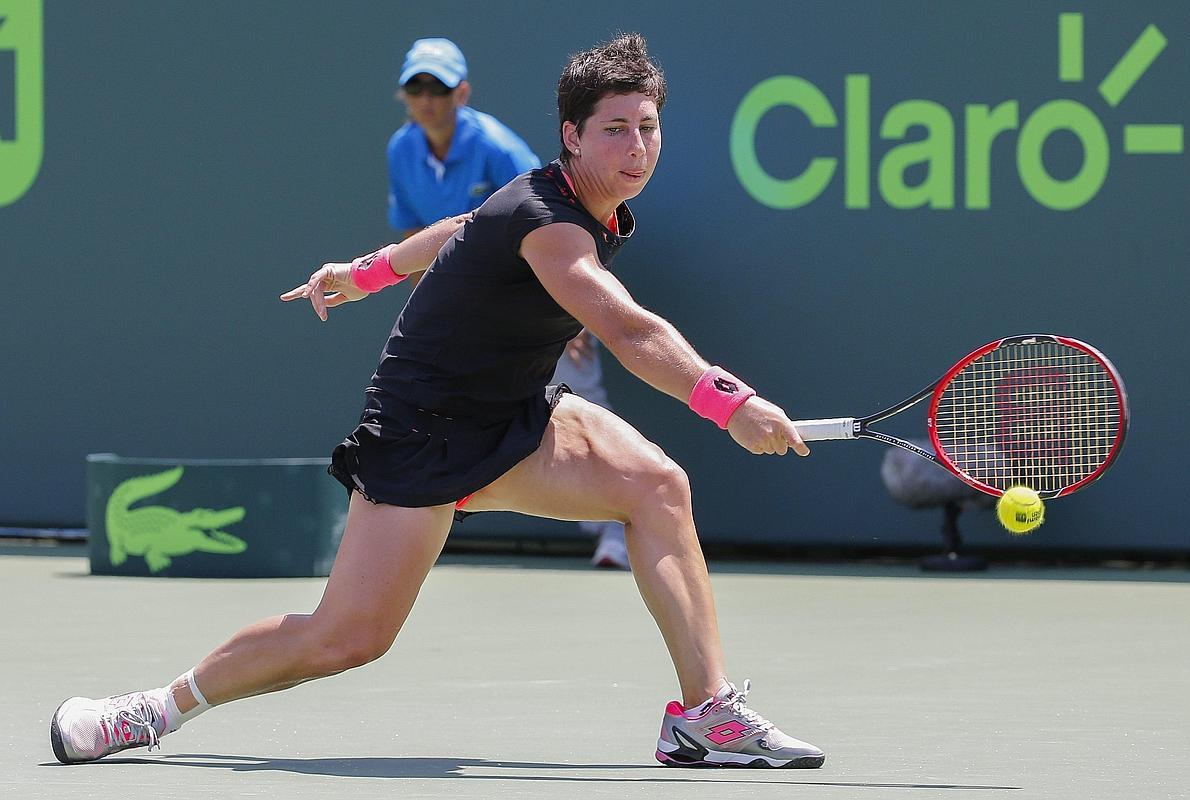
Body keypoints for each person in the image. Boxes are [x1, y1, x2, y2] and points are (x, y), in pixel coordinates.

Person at [49, 33, 825, 770]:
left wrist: (365, 272)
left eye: (648, 127)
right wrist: (730, 402)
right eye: (615, 129)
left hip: (512, 415)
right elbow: (625, 327)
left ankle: (705, 716)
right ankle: (148, 710)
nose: (637, 147)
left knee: (658, 487)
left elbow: (460, 226)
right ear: (572, 136)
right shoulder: (550, 224)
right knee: (346, 637)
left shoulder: (569, 203)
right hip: (423, 431)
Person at [388, 37, 630, 569]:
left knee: (582, 392)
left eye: (439, 86)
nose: (427, 97)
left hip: (539, 298)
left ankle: (616, 533)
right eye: (416, 86)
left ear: (462, 93)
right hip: (466, 315)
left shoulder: (496, 147)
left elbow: (565, 215)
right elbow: (414, 232)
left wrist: (575, 309)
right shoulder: (401, 151)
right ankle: (420, 523)